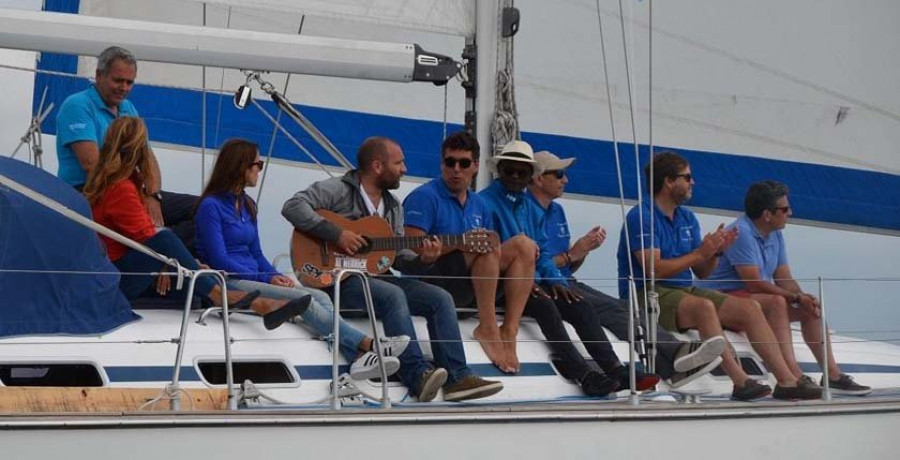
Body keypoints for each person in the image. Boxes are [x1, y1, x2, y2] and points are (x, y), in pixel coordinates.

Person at [282, 137, 503, 402]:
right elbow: (293, 206)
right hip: (336, 279)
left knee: (439, 298)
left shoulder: (393, 206)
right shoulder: (337, 189)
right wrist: (338, 234)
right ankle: (416, 374)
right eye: (399, 163)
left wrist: (425, 259)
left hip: (376, 278)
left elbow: (399, 257)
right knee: (392, 295)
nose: (404, 169)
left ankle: (458, 377)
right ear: (377, 166)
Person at [193, 138, 410, 381]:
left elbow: (256, 253)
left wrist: (274, 275)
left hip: (254, 277)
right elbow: (219, 258)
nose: (259, 170)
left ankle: (356, 357)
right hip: (229, 281)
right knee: (302, 298)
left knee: (320, 295)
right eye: (257, 164)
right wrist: (264, 278)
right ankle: (369, 345)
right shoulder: (210, 206)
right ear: (240, 167)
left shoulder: (248, 205)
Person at [616, 151, 822, 400]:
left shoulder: (687, 218)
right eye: (687, 177)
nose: (693, 182)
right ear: (669, 181)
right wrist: (701, 252)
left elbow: (702, 272)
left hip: (682, 290)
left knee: (749, 309)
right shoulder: (641, 217)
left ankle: (788, 381)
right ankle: (740, 380)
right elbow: (654, 270)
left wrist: (714, 253)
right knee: (704, 307)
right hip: (646, 293)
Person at [85, 117, 306, 330]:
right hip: (121, 278)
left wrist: (186, 264)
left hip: (123, 270)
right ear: (140, 151)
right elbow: (151, 239)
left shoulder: (124, 184)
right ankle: (225, 297)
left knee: (185, 279)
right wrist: (176, 263)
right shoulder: (121, 188)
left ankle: (256, 304)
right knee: (167, 239)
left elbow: (145, 236)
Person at [527, 150, 726, 388]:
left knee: (622, 307)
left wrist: (582, 252)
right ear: (539, 179)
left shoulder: (557, 211)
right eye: (559, 174)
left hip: (565, 280)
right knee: (607, 309)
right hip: (543, 283)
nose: (565, 180)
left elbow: (567, 263)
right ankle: (671, 355)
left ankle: (671, 366)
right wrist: (572, 253)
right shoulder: (525, 210)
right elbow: (535, 261)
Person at [479, 140, 659, 396]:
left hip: (533, 280)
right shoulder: (484, 202)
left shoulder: (531, 208)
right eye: (510, 170)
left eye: (522, 172)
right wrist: (534, 282)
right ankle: (584, 375)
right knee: (546, 307)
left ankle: (616, 369)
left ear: (531, 175)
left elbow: (542, 252)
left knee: (579, 304)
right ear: (500, 170)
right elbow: (489, 256)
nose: (516, 176)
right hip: (500, 284)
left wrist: (556, 282)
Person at [703, 180, 871, 395]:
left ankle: (833, 374)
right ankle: (794, 375)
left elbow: (784, 278)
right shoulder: (741, 232)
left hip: (752, 297)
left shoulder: (775, 233)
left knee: (811, 309)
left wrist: (802, 297)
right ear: (767, 214)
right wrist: (793, 297)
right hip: (723, 297)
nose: (790, 212)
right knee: (777, 302)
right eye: (784, 209)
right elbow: (753, 284)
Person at [399, 131, 534, 374]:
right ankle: (488, 326)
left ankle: (509, 330)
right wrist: (462, 242)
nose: (456, 169)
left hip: (472, 282)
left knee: (525, 245)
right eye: (450, 162)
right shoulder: (424, 197)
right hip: (434, 280)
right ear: (442, 164)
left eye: (463, 163)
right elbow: (411, 247)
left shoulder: (479, 204)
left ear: (475, 166)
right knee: (482, 245)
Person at [56, 45, 195, 244]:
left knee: (201, 209)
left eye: (130, 82)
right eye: (118, 80)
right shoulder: (77, 105)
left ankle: (165, 253)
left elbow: (147, 157)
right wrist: (136, 194)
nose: (124, 88)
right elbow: (92, 165)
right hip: (87, 190)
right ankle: (160, 250)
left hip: (127, 189)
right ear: (99, 75)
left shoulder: (128, 108)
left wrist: (153, 195)